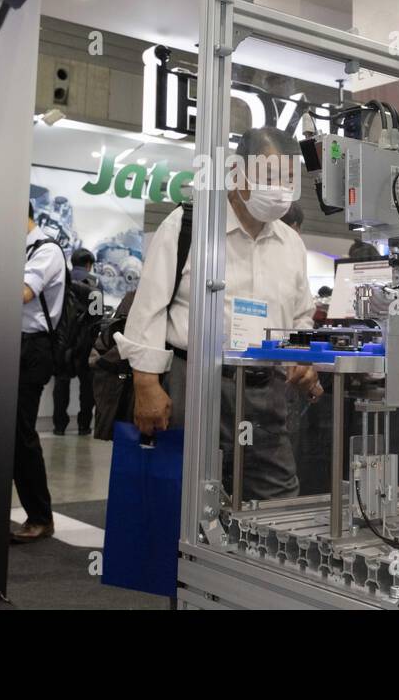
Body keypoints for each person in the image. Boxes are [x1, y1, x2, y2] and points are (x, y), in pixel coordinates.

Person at [116, 126, 322, 500]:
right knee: (185, 498)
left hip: (266, 391)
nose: (279, 190)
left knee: (276, 499)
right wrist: (146, 386)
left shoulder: (290, 243)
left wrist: (301, 355)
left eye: (288, 180)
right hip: (196, 383)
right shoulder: (189, 226)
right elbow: (148, 309)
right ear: (236, 172)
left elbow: (301, 316)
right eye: (269, 176)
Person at [14, 208, 68, 540]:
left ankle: (40, 516)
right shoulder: (18, 250)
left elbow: (23, 293)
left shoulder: (46, 250)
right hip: (10, 344)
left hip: (33, 349)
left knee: (20, 431)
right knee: (7, 431)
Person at [52, 247, 97, 435]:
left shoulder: (63, 280)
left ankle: (59, 427)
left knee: (61, 385)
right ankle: (84, 426)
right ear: (89, 265)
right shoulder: (95, 284)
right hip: (85, 343)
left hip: (63, 341)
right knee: (87, 388)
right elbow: (97, 315)